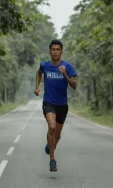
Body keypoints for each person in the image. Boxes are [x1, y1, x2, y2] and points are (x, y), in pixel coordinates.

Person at [34, 39, 77, 172]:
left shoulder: (68, 67)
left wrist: (64, 73)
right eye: (53, 49)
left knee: (57, 135)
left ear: (61, 52)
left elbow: (74, 85)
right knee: (51, 126)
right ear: (50, 51)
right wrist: (37, 87)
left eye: (58, 50)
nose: (55, 52)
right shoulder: (45, 65)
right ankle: (52, 160)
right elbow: (39, 73)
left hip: (62, 105)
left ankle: (51, 145)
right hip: (49, 103)